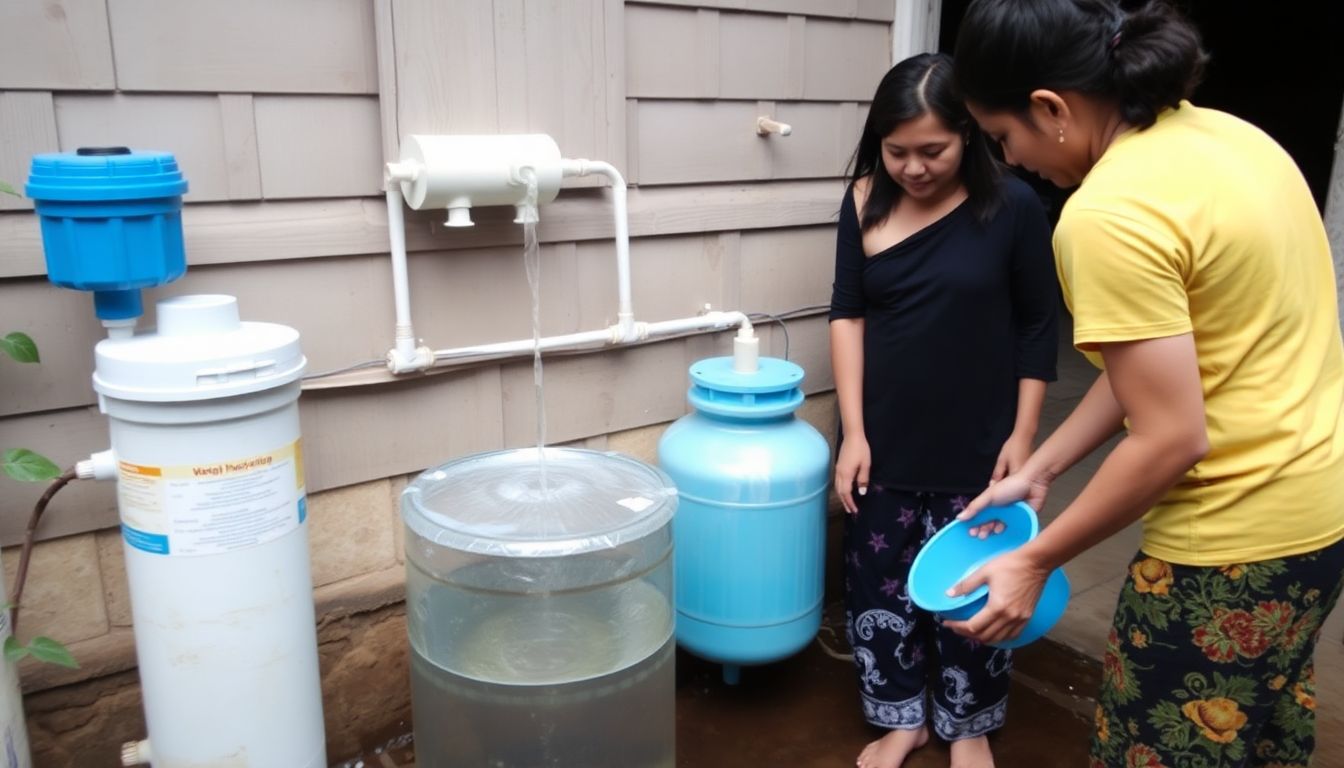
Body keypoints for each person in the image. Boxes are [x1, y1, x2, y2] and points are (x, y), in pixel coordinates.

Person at [947, 1, 1344, 766]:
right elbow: (1166, 371)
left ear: (1051, 108)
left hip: (1228, 547)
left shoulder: (1105, 214)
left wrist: (1035, 559)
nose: (1012, 161)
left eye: (1003, 138)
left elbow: (1171, 434)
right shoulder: (1231, 137)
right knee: (1259, 740)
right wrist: (1039, 469)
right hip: (1318, 519)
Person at [829, 52, 1058, 768]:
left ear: (969, 134)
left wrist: (1025, 435)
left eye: (933, 150)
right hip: (885, 439)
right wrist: (854, 432)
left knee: (973, 587)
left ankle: (969, 725)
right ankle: (903, 721)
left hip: (981, 443)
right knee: (881, 585)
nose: (914, 167)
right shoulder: (865, 198)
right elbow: (847, 315)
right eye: (897, 151)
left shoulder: (1013, 205)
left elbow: (1036, 326)